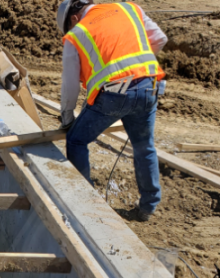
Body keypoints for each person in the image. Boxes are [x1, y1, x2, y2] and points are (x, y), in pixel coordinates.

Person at [57, 0, 168, 221]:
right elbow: (159, 39)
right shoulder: (128, 8)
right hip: (149, 86)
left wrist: (67, 118)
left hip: (113, 94)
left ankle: (85, 204)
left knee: (77, 141)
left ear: (73, 19)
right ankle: (148, 206)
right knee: (144, 146)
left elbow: (69, 85)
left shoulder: (76, 34)